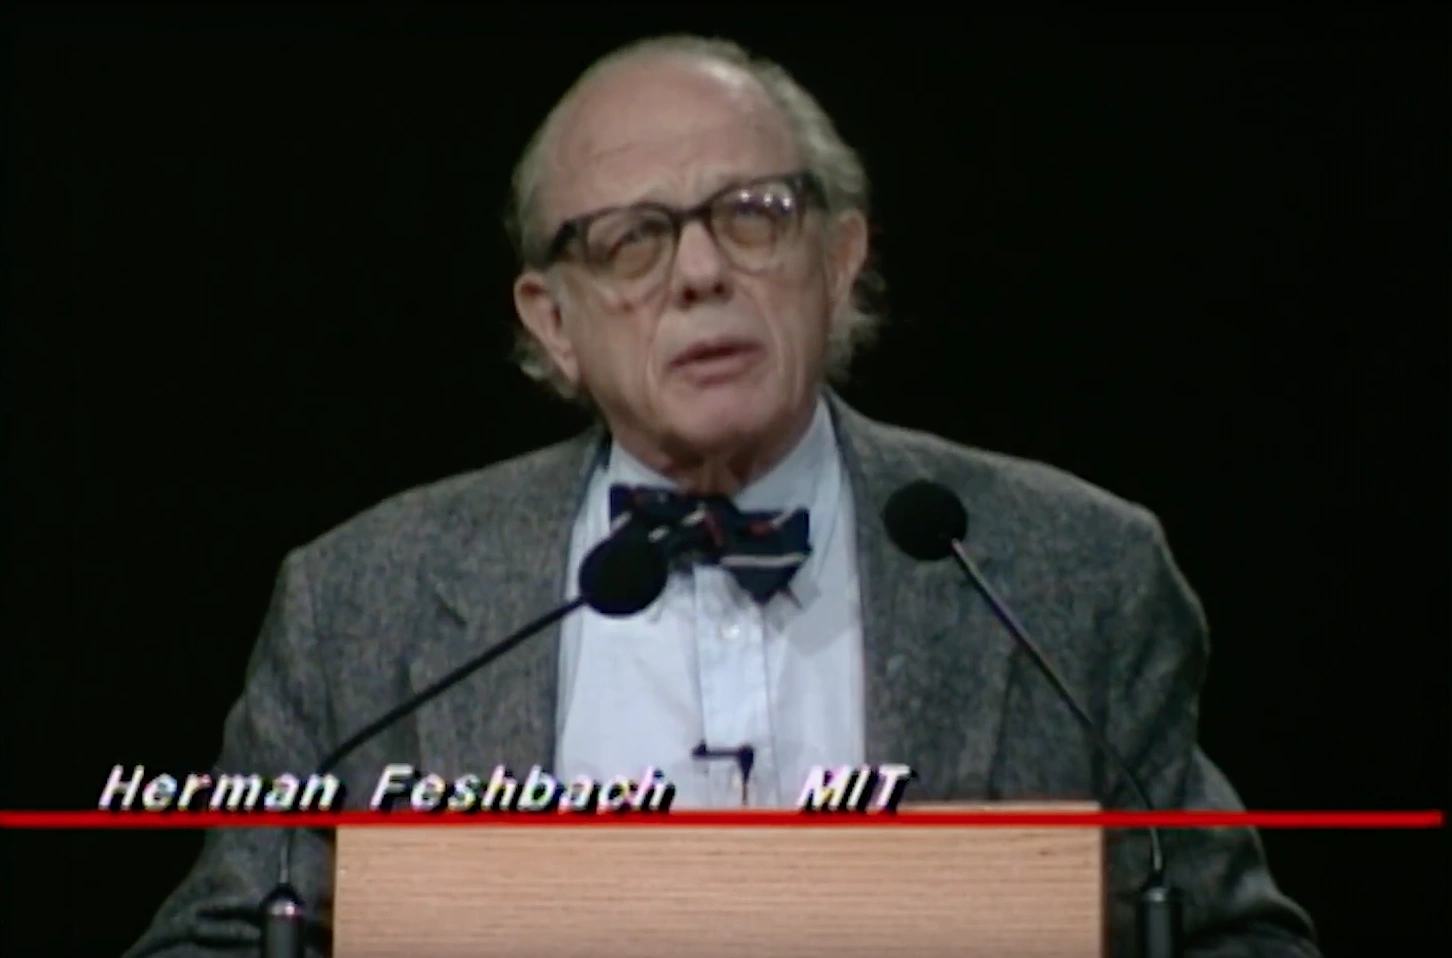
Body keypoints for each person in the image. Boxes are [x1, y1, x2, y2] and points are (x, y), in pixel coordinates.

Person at [126, 34, 1320, 958]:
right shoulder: (362, 602)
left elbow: (1230, 933)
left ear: (841, 257)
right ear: (553, 323)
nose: (701, 272)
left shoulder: (1072, 570)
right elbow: (223, 935)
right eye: (631, 240)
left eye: (755, 216)